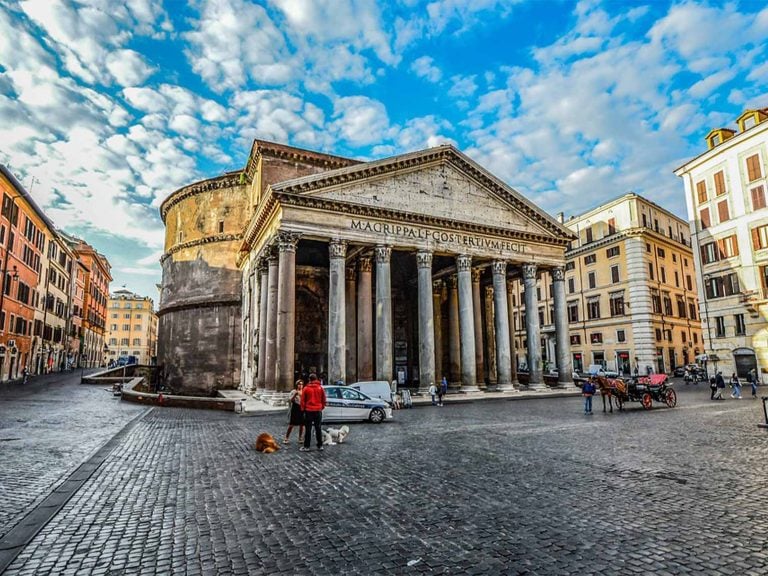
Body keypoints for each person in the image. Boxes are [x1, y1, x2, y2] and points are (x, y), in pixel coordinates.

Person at [300, 373, 326, 452]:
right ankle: (320, 445)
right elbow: (324, 399)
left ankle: (307, 446)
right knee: (318, 428)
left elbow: (302, 401)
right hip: (318, 410)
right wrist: (321, 407)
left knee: (308, 429)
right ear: (316, 379)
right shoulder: (320, 388)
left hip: (308, 411)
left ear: (309, 379)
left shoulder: (306, 388)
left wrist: (303, 410)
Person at [284, 380, 304, 445]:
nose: (300, 386)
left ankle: (300, 438)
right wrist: (295, 395)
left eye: (301, 384)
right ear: (296, 385)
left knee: (302, 424)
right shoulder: (293, 391)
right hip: (295, 408)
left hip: (302, 408)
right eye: (299, 384)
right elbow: (290, 400)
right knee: (291, 424)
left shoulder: (303, 391)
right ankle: (286, 438)